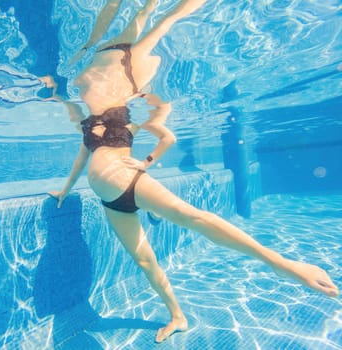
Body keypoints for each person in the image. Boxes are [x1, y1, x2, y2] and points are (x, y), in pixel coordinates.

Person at [49, 0, 339, 343]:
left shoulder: (126, 75)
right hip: (110, 201)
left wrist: (145, 163)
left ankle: (283, 265)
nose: (85, 90)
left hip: (128, 180)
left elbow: (164, 131)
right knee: (144, 261)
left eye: (84, 86)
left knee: (194, 217)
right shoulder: (88, 117)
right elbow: (83, 155)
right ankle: (178, 316)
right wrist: (66, 189)